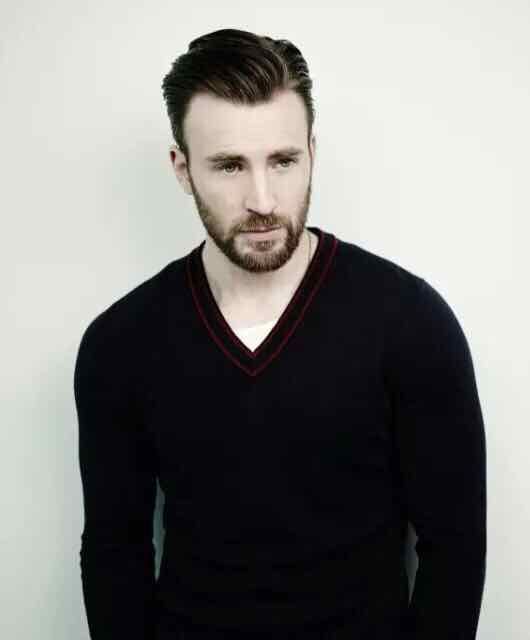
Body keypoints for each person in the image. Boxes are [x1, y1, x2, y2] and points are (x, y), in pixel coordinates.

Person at [74, 28, 487, 640]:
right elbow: (115, 551)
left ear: (312, 153)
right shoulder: (120, 344)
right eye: (229, 165)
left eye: (283, 161)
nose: (263, 200)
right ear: (182, 169)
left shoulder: (410, 323)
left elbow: (455, 548)